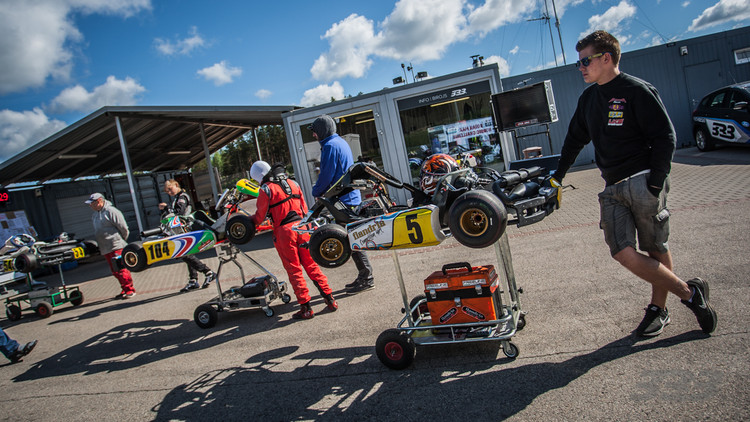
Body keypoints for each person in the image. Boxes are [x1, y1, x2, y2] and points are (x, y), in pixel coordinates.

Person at [552, 30, 717, 337]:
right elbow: (574, 140)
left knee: (655, 248)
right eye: (579, 63)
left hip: (643, 181)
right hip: (612, 187)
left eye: (585, 61)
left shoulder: (637, 90)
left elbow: (665, 136)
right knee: (622, 252)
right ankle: (691, 294)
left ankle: (658, 309)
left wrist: (655, 183)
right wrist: (558, 177)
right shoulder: (588, 99)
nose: (581, 68)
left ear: (606, 57)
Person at [250, 161, 338, 319]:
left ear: (260, 176)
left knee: (294, 270)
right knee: (312, 265)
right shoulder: (294, 183)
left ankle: (306, 308)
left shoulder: (266, 189)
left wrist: (247, 222)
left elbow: (259, 217)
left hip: (284, 233)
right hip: (303, 228)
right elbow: (304, 209)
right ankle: (330, 299)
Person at [310, 114, 374, 294]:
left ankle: (367, 277)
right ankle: (365, 276)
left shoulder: (330, 146)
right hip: (350, 198)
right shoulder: (340, 142)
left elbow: (326, 174)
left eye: (315, 132)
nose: (314, 136)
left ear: (322, 130)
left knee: (352, 239)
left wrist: (316, 191)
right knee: (352, 239)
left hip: (343, 201)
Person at [158, 180, 216, 292]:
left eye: (170, 189)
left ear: (176, 185)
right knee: (186, 253)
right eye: (167, 191)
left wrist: (166, 208)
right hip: (182, 229)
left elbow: (179, 212)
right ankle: (193, 280)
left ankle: (207, 272)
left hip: (187, 228)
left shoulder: (182, 197)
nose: (169, 192)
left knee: (183, 253)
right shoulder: (177, 198)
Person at [86, 193, 136, 299]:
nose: (90, 206)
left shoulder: (111, 211)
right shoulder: (95, 215)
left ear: (99, 201)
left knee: (121, 269)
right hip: (105, 247)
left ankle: (130, 290)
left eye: (92, 203)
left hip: (116, 245)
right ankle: (124, 288)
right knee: (115, 270)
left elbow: (123, 228)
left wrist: (121, 240)